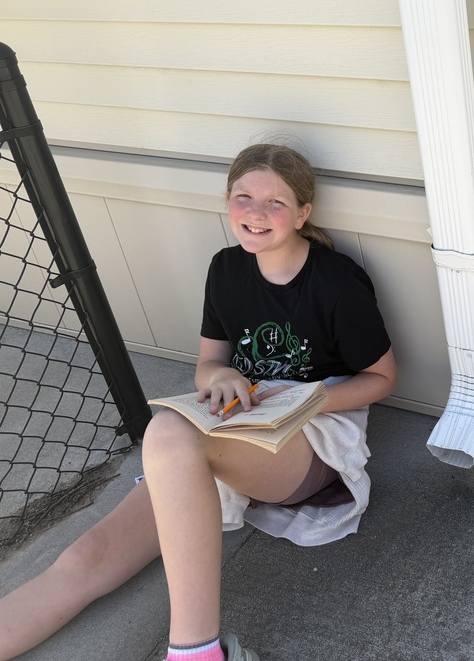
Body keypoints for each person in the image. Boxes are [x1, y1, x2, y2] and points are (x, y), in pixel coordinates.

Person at [0, 144, 398, 661]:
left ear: (303, 213)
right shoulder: (227, 269)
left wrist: (303, 403)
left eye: (276, 202)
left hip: (312, 433)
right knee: (87, 556)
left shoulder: (336, 281)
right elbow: (208, 365)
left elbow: (381, 379)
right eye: (243, 196)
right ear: (228, 200)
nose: (256, 212)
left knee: (166, 430)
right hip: (233, 428)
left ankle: (196, 652)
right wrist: (224, 375)